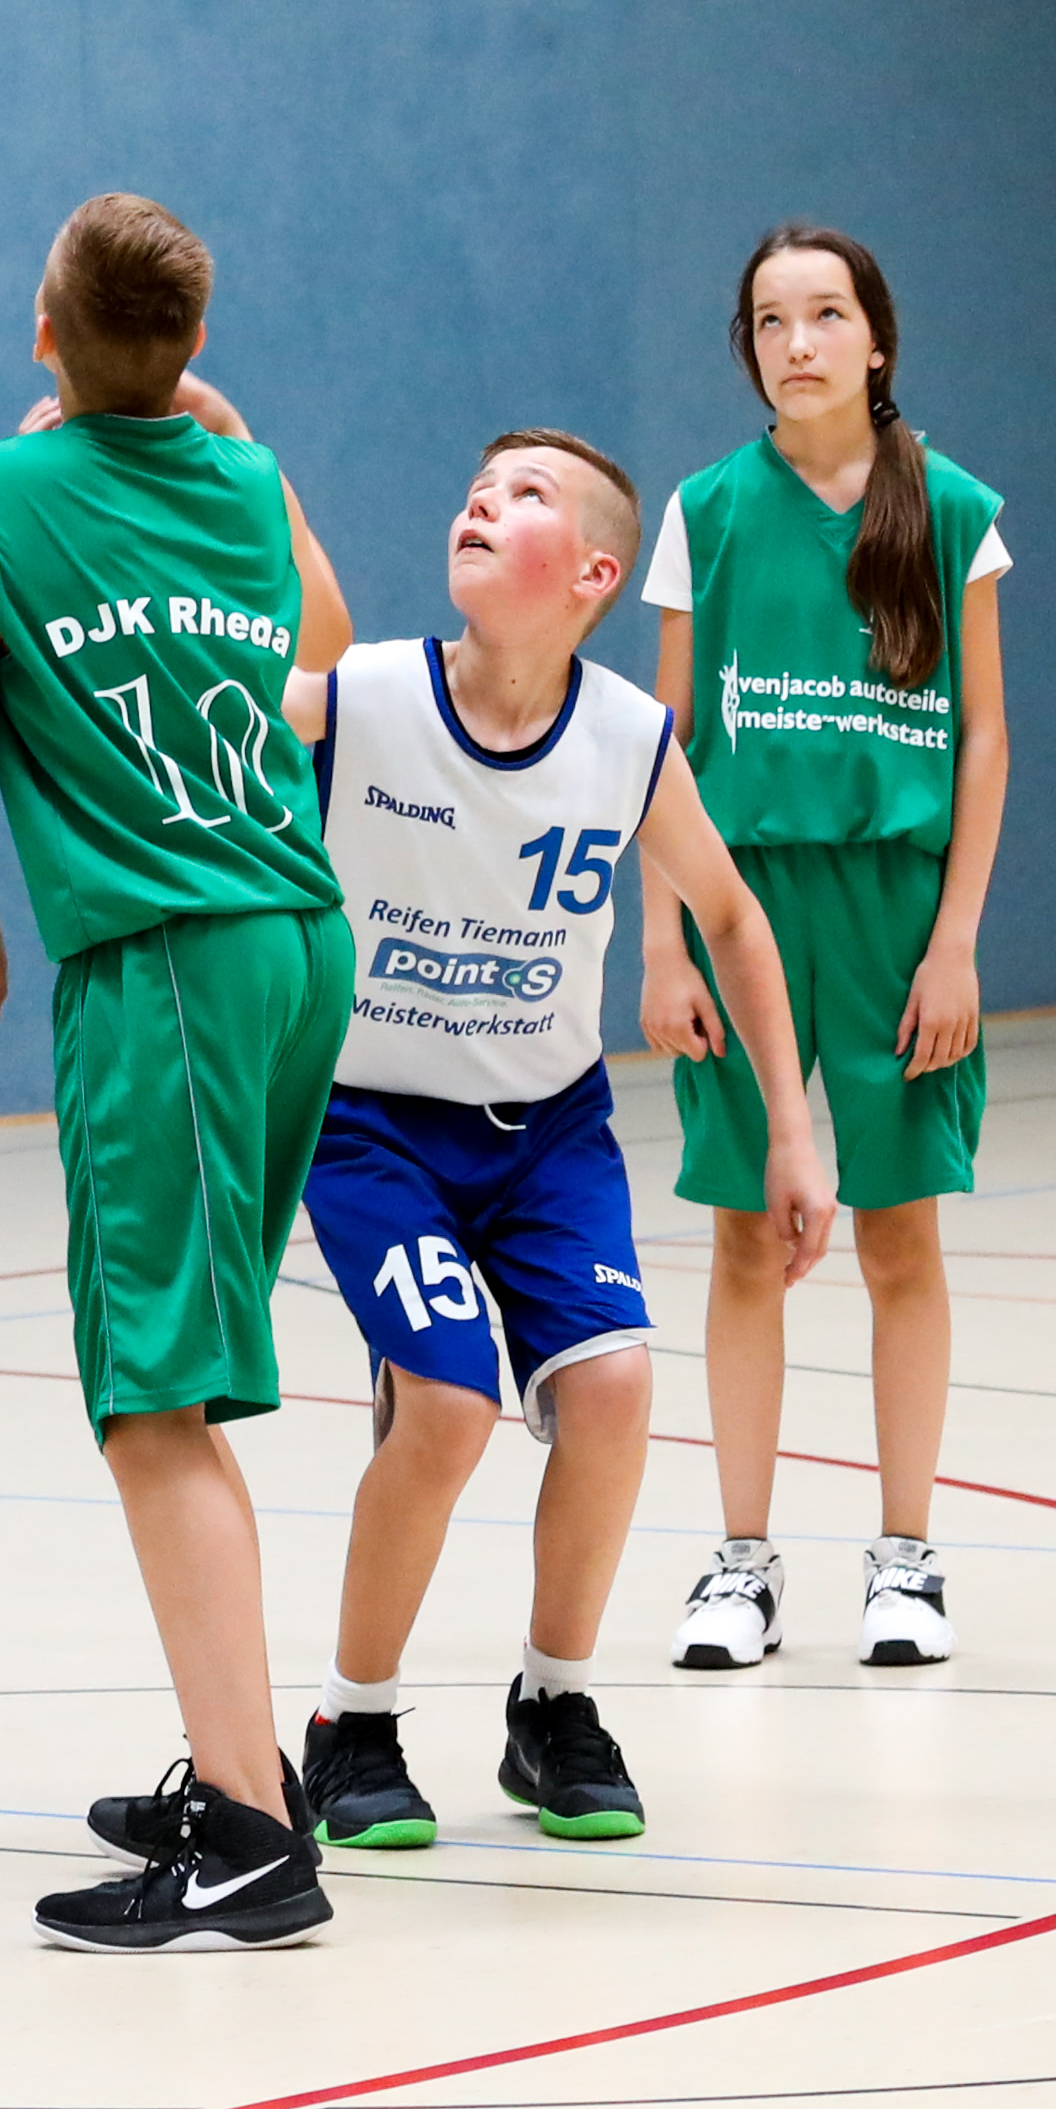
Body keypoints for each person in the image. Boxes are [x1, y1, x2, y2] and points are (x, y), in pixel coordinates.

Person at [0, 192, 360, 1950]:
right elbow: (328, 641)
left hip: (164, 959)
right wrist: (233, 437)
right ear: (191, 345)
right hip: (296, 941)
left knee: (150, 1404)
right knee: (183, 1387)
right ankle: (246, 1773)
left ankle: (246, 1833)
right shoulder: (245, 481)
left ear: (43, 332)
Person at [279, 430, 831, 1853]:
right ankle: (350, 1723)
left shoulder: (628, 737)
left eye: (524, 493)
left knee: (614, 1387)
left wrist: (792, 1124)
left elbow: (732, 917)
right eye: (476, 485)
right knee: (447, 1405)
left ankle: (553, 1703)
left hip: (547, 1130)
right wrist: (208, 452)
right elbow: (230, 673)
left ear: (592, 575)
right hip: (374, 1124)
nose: (482, 499)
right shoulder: (367, 696)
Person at [650, 228, 1014, 1676]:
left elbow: (982, 738)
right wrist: (661, 944)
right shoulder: (704, 510)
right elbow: (665, 747)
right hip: (738, 901)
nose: (793, 342)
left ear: (875, 339)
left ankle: (905, 1555)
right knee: (745, 1229)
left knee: (897, 1229)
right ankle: (739, 1560)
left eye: (822, 314)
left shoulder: (954, 509)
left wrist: (956, 938)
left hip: (895, 906)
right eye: (766, 319)